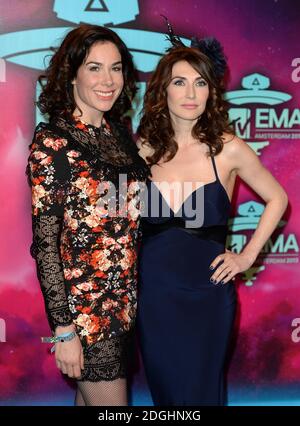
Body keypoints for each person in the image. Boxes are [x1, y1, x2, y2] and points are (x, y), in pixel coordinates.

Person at [136, 28, 288, 406]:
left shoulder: (229, 149)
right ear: (162, 90)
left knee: (201, 396)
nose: (190, 94)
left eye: (200, 83)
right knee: (168, 399)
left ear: (211, 90)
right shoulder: (142, 151)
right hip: (154, 299)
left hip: (208, 298)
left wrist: (247, 256)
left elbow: (278, 198)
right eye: (180, 82)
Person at [26, 24, 148, 406]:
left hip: (123, 308)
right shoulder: (54, 143)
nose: (108, 80)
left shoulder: (119, 136)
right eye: (94, 68)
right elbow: (46, 245)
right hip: (86, 318)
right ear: (72, 73)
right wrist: (64, 330)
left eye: (116, 68)